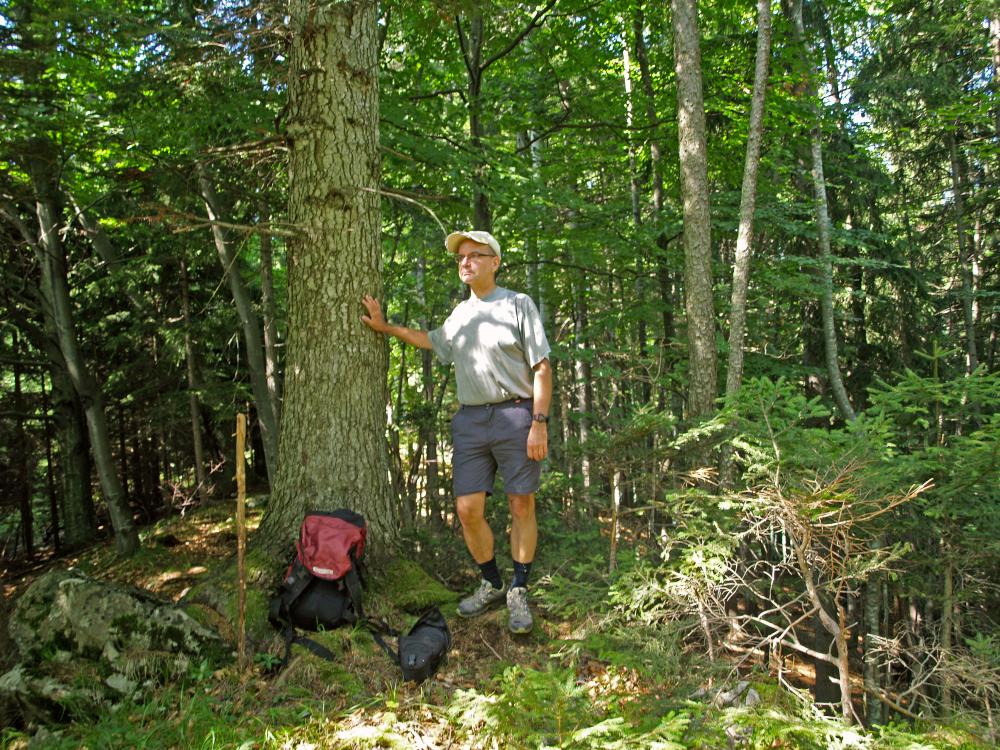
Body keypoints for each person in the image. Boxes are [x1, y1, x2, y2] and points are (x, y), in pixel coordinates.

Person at [361, 230, 552, 634]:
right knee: (467, 509)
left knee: (521, 504)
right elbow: (431, 341)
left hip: (517, 415)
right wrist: (385, 328)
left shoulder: (518, 304)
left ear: (495, 262)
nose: (465, 262)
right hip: (469, 421)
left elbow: (542, 368)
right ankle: (492, 582)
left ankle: (519, 589)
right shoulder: (460, 314)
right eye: (460, 258)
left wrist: (539, 423)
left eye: (474, 255)